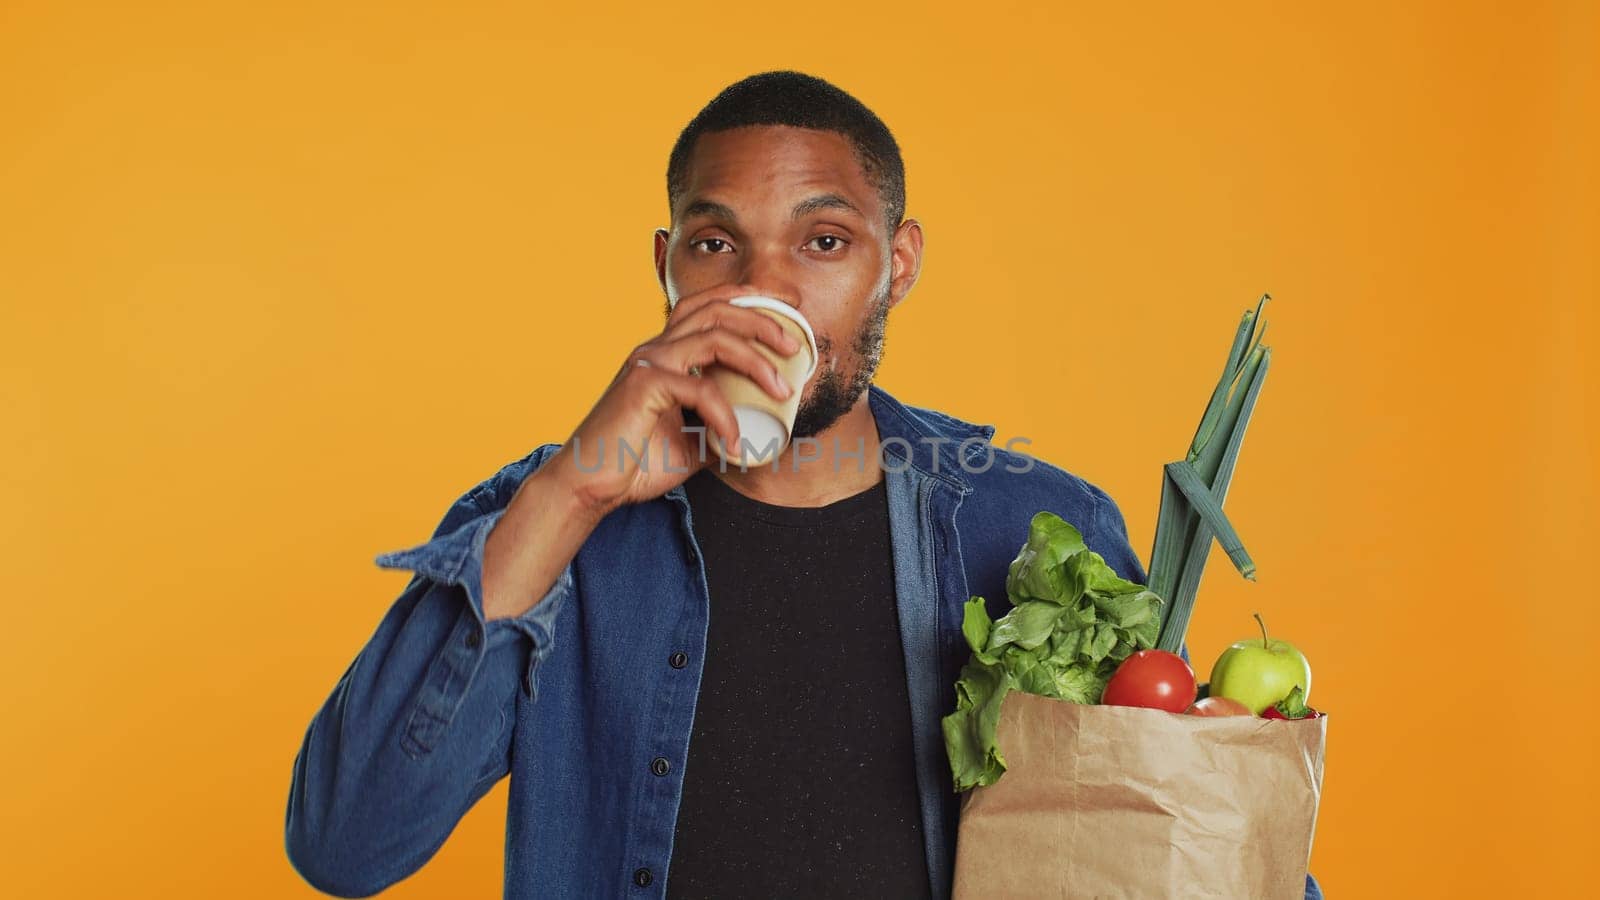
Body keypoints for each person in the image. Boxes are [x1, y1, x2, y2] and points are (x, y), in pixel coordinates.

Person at [285, 70, 1323, 900]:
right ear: (668, 270)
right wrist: (575, 493)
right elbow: (345, 845)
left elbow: (1184, 837)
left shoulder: (1031, 530)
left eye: (823, 242)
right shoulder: (552, 517)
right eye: (713, 243)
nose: (762, 286)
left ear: (896, 265)